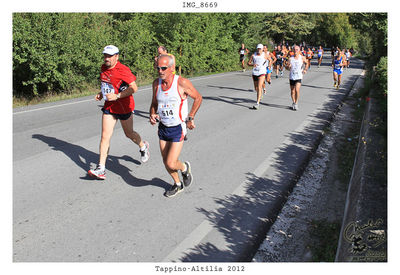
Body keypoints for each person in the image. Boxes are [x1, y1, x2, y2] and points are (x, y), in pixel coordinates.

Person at [88, 45, 150, 180]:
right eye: (105, 55)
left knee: (129, 134)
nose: (107, 58)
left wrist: (117, 96)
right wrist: (101, 94)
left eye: (110, 56)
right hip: (109, 107)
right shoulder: (103, 68)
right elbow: (108, 85)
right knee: (105, 136)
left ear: (117, 56)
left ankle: (143, 145)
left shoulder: (123, 70)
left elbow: (134, 88)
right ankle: (101, 168)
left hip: (124, 106)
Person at [149, 55, 202, 197]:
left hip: (178, 127)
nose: (160, 71)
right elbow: (154, 103)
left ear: (172, 68)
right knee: (166, 162)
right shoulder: (156, 84)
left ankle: (185, 168)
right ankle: (178, 184)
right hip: (163, 127)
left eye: (163, 68)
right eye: (158, 68)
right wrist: (152, 114)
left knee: (171, 162)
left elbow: (198, 97)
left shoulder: (181, 82)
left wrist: (190, 117)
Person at [248, 44, 271, 109]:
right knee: (256, 88)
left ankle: (257, 103)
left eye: (260, 49)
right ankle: (260, 94)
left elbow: (271, 60)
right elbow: (248, 63)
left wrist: (269, 66)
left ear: (262, 49)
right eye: (258, 49)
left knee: (259, 86)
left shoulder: (265, 55)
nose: (259, 50)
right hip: (255, 72)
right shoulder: (253, 55)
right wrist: (253, 64)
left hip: (262, 72)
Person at [285, 45, 308, 111]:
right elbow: (287, 68)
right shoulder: (290, 58)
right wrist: (288, 67)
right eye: (294, 49)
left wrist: (305, 69)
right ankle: (294, 102)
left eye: (297, 49)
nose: (295, 51)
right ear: (292, 50)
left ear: (299, 50)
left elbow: (307, 63)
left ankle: (296, 103)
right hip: (292, 76)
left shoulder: (302, 58)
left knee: (297, 90)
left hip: (299, 76)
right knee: (292, 91)